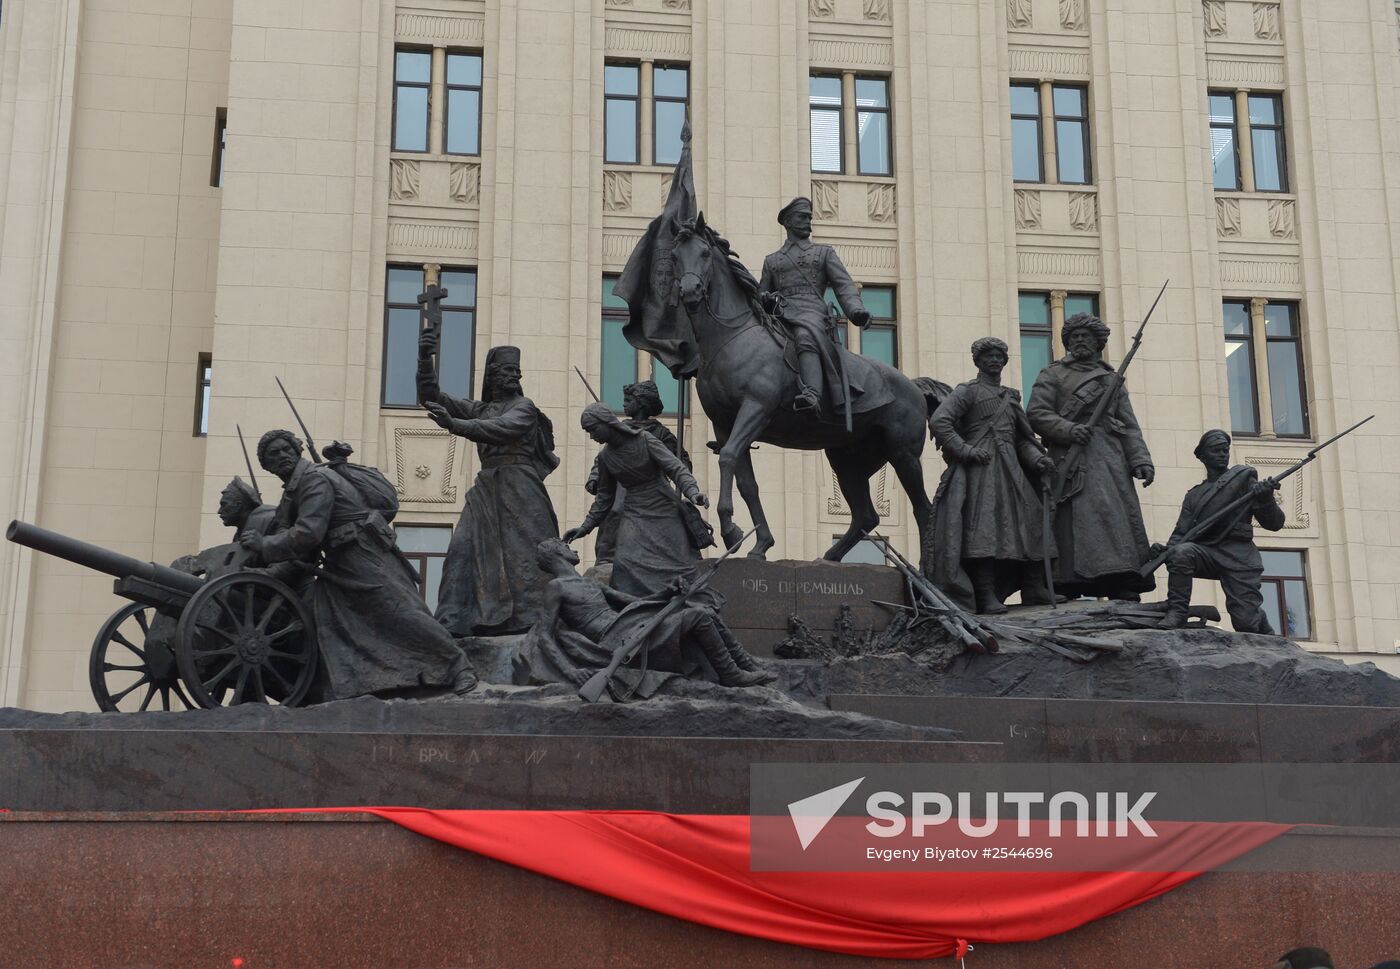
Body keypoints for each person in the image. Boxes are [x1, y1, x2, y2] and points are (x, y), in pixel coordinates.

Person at [240, 429, 476, 701]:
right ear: (266, 465)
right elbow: (289, 536)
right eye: (273, 454)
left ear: (298, 451)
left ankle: (460, 667)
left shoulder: (314, 479)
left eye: (286, 449)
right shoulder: (292, 492)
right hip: (338, 562)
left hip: (362, 553)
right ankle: (353, 687)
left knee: (399, 611)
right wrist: (264, 569)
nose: (281, 456)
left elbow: (309, 533)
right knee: (330, 624)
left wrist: (264, 545)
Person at [418, 340, 560, 635]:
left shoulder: (524, 407)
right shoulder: (480, 408)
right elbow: (431, 396)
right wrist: (424, 358)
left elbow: (502, 429)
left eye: (517, 372)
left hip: (520, 486)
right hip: (487, 486)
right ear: (492, 375)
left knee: (526, 554)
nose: (515, 377)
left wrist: (454, 424)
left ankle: (536, 621)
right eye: (509, 371)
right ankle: (453, 622)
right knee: (462, 548)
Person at [515, 538, 773, 696]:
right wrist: (571, 672)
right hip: (616, 640)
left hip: (629, 624)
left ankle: (746, 665)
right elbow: (545, 637)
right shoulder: (556, 587)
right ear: (557, 553)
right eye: (564, 545)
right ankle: (730, 674)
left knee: (703, 610)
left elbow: (635, 603)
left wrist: (667, 592)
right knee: (698, 617)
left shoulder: (590, 582)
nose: (570, 547)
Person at [1028, 312, 1156, 599]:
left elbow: (1129, 424)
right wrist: (1069, 429)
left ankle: (1119, 577)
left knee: (1114, 517)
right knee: (1068, 519)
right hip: (1069, 457)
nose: (1080, 340)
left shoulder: (1112, 380)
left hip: (1110, 459)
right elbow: (1036, 413)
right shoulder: (1052, 374)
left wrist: (1140, 459)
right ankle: (1068, 581)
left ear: (1098, 342)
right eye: (1074, 337)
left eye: (1086, 336)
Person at [929, 337, 1057, 614]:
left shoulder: (1010, 398)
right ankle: (985, 595)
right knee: (984, 532)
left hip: (1012, 469)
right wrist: (965, 450)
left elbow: (1022, 440)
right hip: (982, 469)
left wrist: (1038, 460)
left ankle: (1033, 587)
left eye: (999, 355)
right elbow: (940, 420)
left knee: (1034, 521)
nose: (995, 360)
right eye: (988, 355)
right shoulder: (968, 392)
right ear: (977, 360)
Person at [565, 403, 708, 597]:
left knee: (679, 564)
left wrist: (693, 492)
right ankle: (637, 610)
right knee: (624, 564)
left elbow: (675, 468)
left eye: (592, 429)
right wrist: (585, 527)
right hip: (635, 512)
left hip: (663, 507)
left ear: (606, 422)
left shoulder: (644, 440)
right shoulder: (606, 457)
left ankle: (689, 604)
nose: (592, 436)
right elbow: (604, 499)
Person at [1149, 429, 1285, 631]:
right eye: (1216, 450)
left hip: (1239, 555)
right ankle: (1177, 611)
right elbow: (1181, 533)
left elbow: (1274, 524)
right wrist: (1166, 551)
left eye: (1225, 450)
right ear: (1203, 456)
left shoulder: (1243, 478)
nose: (1223, 454)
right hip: (1208, 552)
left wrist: (1265, 498)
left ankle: (1261, 623)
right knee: (1181, 553)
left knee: (1246, 624)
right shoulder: (1193, 495)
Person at [758, 196, 870, 416]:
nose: (808, 221)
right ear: (789, 222)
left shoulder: (824, 253)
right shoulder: (772, 260)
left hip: (811, 311)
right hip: (780, 313)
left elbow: (844, 286)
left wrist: (856, 310)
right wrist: (765, 299)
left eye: (809, 217)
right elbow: (760, 294)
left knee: (804, 333)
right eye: (802, 217)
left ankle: (812, 393)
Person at [586, 379, 690, 566]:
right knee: (614, 511)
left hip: (652, 485)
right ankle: (607, 557)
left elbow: (679, 460)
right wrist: (595, 477)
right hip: (622, 484)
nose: (624, 405)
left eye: (628, 401)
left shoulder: (660, 432)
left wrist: (684, 479)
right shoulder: (619, 429)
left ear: (641, 403)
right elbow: (603, 460)